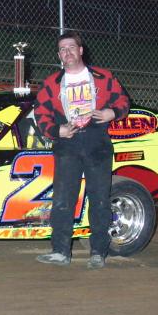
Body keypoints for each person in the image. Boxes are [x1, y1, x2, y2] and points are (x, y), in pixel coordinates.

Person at [33, 31, 130, 269]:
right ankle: (60, 252)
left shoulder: (103, 77)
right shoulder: (51, 83)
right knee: (63, 200)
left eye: (71, 47)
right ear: (59, 55)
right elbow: (40, 114)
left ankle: (98, 252)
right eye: (62, 50)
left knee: (99, 200)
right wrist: (57, 131)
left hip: (97, 143)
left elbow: (123, 102)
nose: (67, 52)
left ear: (80, 50)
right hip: (67, 145)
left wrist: (112, 113)